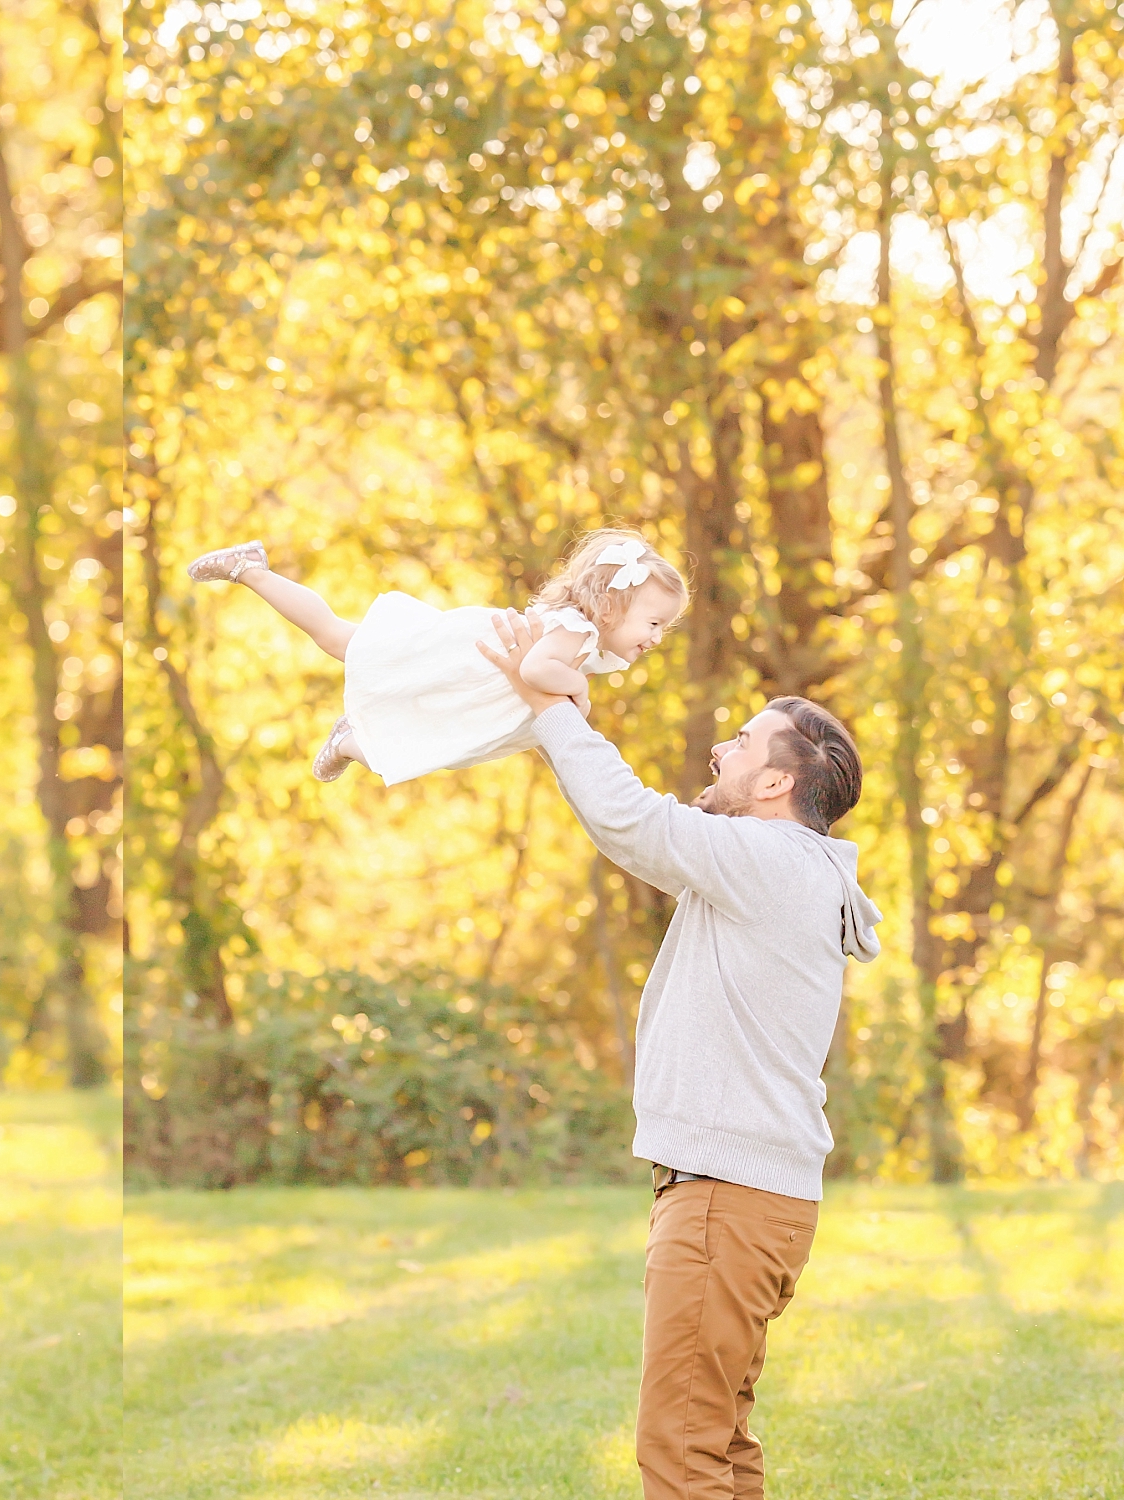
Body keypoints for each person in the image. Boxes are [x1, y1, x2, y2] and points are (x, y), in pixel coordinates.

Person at [477, 608, 882, 1500]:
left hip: (728, 1200)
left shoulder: (771, 860)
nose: (719, 751)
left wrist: (549, 706)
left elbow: (631, 822)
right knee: (719, 1445)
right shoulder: (782, 867)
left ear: (777, 783)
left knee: (682, 1449)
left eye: (741, 743)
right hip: (747, 1198)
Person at [185, 527, 687, 784]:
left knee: (425, 744)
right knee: (341, 641)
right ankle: (251, 569)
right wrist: (579, 690)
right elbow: (535, 669)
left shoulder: (582, 640)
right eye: (654, 622)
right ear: (611, 604)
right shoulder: (576, 633)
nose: (657, 637)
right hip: (465, 662)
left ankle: (348, 739)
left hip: (471, 683)